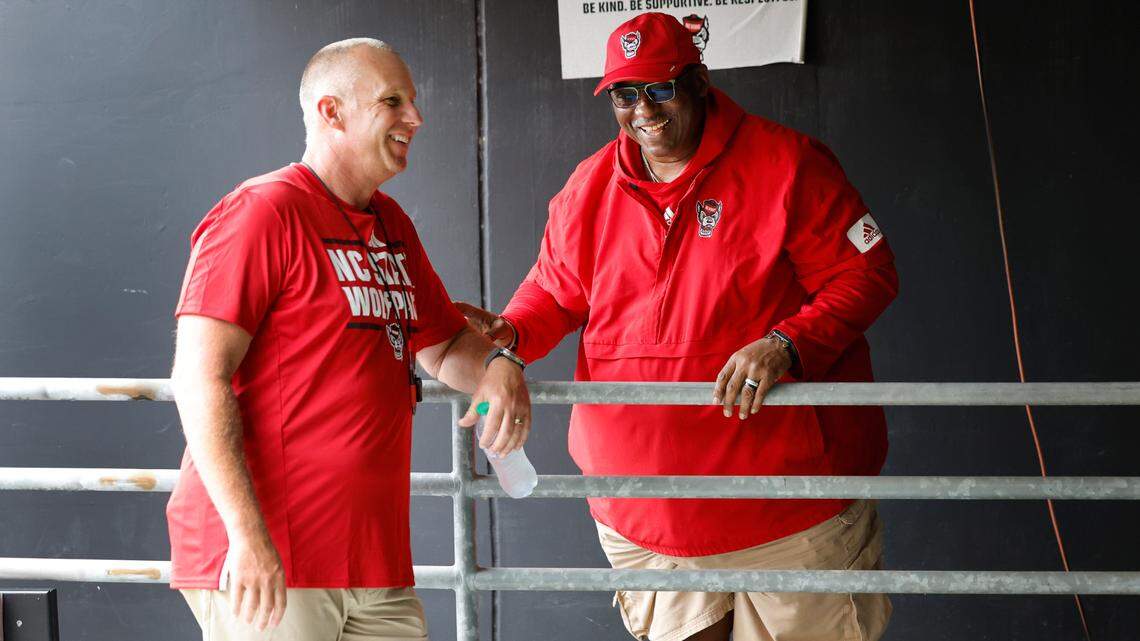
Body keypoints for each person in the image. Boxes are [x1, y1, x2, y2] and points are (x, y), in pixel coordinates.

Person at [457, 12, 898, 641]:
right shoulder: (590, 185)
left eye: (660, 88)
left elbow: (867, 273)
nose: (644, 110)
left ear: (700, 81)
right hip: (641, 510)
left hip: (786, 511)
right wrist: (510, 336)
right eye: (624, 94)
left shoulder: (787, 164)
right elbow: (553, 292)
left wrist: (786, 344)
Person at [167, 38, 531, 641]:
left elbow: (441, 347)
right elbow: (197, 378)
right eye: (392, 101)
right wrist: (247, 537)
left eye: (412, 102)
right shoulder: (261, 212)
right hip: (275, 562)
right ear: (331, 111)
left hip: (374, 565)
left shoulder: (391, 224)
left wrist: (499, 363)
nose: (415, 118)